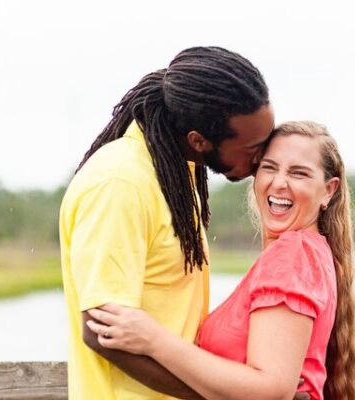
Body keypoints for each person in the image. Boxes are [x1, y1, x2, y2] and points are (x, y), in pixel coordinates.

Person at [86, 121, 355, 400]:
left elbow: (272, 391)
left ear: (329, 190)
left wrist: (153, 339)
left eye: (299, 173)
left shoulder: (293, 254)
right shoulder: (312, 251)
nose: (279, 182)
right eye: (269, 167)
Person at [59, 46, 275, 400]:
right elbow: (102, 332)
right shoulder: (120, 183)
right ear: (198, 140)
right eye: (253, 146)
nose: (263, 156)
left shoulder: (177, 169)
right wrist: (217, 395)